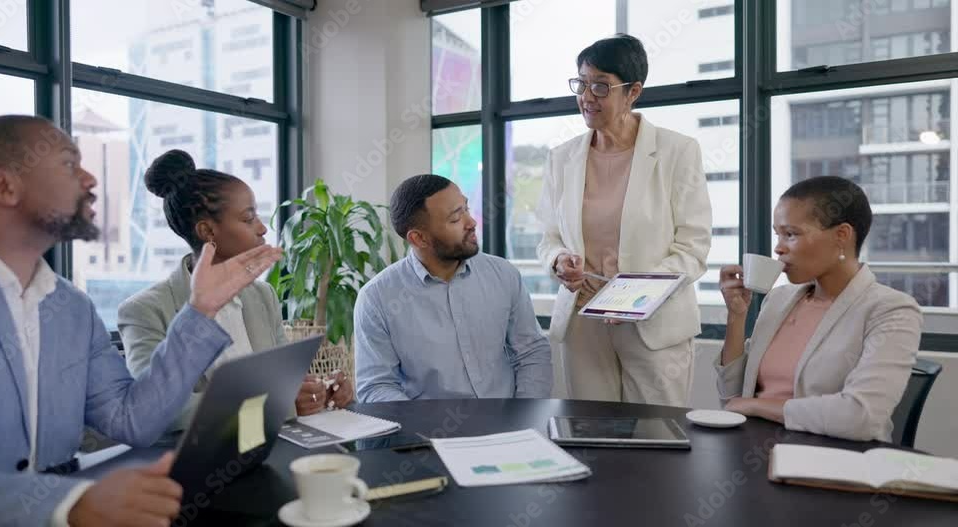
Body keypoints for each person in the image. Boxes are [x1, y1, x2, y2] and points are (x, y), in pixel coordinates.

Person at [0, 115, 282, 526]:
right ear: (4, 186)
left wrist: (201, 312)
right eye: (69, 165)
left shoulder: (72, 309)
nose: (90, 179)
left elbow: (133, 420)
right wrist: (66, 503)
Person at [118, 149, 353, 432]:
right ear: (208, 231)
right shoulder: (145, 310)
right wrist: (275, 403)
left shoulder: (262, 296)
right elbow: (159, 410)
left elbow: (284, 382)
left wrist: (321, 391)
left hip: (268, 448)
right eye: (248, 218)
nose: (262, 228)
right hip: (195, 460)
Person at [537, 34, 712, 406]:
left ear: (633, 92)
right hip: (583, 322)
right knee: (592, 433)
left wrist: (631, 298)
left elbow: (692, 249)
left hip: (652, 324)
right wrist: (558, 259)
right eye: (581, 84)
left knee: (657, 438)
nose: (586, 96)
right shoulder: (561, 158)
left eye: (600, 86)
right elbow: (549, 236)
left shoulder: (677, 151)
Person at [717, 176, 922, 442]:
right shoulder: (778, 300)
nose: (778, 248)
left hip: (832, 461)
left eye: (791, 234)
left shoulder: (891, 310)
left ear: (841, 236)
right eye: (777, 234)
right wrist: (736, 316)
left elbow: (861, 417)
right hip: (753, 448)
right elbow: (731, 399)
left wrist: (757, 406)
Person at [354, 174, 552, 402]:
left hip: (511, 427)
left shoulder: (503, 275)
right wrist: (426, 430)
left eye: (466, 208)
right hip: (427, 432)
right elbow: (376, 387)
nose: (472, 222)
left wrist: (524, 417)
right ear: (419, 238)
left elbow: (531, 353)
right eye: (456, 218)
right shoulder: (377, 299)